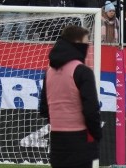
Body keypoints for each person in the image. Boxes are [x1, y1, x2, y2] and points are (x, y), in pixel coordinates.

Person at [38, 25, 102, 168]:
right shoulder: (82, 71)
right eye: (86, 42)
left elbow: (43, 108)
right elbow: (91, 109)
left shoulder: (49, 72)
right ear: (77, 44)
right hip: (78, 138)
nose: (88, 46)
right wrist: (97, 134)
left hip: (56, 139)